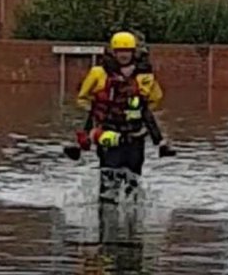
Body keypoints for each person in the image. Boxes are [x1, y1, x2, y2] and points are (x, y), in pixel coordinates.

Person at [67, 31, 174, 197]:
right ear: (113, 52)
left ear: (133, 52)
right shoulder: (99, 73)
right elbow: (83, 97)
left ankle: (133, 219)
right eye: (120, 51)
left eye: (127, 51)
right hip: (109, 133)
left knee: (133, 181)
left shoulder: (144, 75)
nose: (124, 55)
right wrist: (99, 113)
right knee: (109, 179)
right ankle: (105, 216)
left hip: (135, 135)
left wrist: (134, 112)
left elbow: (154, 99)